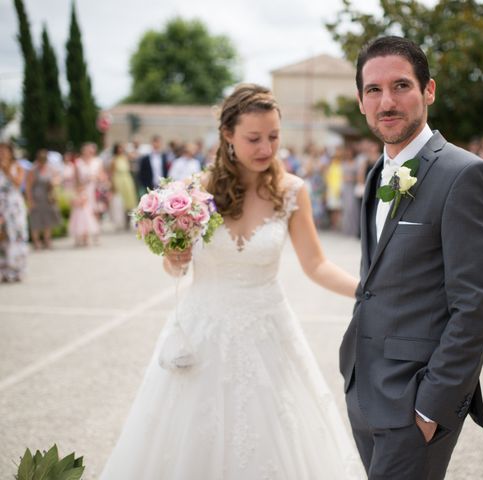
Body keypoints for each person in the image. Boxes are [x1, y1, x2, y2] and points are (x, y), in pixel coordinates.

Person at [100, 84, 364, 479]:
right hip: (202, 330)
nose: (266, 148)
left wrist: (369, 291)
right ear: (228, 136)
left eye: (273, 137)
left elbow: (316, 265)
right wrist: (174, 258)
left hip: (269, 332)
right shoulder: (195, 191)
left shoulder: (292, 191)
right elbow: (175, 270)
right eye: (254, 138)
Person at [340, 36, 483, 480]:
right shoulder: (378, 172)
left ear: (429, 90)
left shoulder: (467, 175)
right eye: (373, 90)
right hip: (366, 388)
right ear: (360, 101)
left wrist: (432, 406)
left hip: (416, 401)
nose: (386, 101)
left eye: (401, 86)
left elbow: (478, 305)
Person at [0, 142, 28, 283]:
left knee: (16, 237)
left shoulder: (17, 166)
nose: (2, 154)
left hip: (14, 206)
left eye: (5, 151)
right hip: (1, 206)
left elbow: (18, 184)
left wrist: (7, 171)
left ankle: (17, 270)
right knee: (2, 238)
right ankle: (4, 271)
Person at [25, 149, 61, 249]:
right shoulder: (33, 170)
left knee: (48, 220)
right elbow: (28, 187)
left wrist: (54, 182)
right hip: (36, 197)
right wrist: (30, 201)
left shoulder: (50, 169)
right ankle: (36, 242)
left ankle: (47, 240)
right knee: (35, 221)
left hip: (48, 197)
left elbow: (57, 178)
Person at [68, 143, 101, 247]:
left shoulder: (97, 162)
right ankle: (81, 236)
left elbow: (101, 175)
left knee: (94, 212)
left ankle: (94, 233)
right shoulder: (78, 163)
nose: (89, 153)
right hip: (83, 190)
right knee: (82, 213)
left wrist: (96, 178)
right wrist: (78, 190)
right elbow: (76, 179)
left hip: (94, 189)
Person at [108, 143, 138, 229]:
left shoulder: (125, 158)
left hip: (127, 180)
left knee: (130, 201)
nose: (120, 150)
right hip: (118, 180)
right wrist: (112, 184)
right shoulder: (114, 160)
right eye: (119, 148)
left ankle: (128, 220)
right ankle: (121, 221)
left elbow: (133, 157)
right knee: (120, 202)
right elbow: (111, 173)